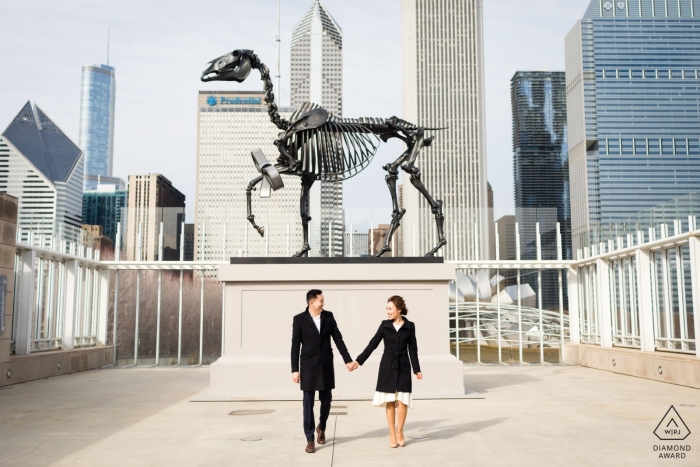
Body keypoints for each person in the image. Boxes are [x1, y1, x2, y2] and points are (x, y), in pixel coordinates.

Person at [291, 289, 355, 454]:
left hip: (326, 365)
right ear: (312, 303)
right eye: (321, 300)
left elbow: (338, 338)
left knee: (326, 401)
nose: (323, 303)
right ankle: (310, 439)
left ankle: (322, 426)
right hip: (308, 366)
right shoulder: (299, 319)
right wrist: (294, 370)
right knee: (308, 404)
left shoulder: (329, 316)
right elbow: (295, 346)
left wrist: (347, 360)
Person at [353, 295, 422, 448]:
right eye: (386, 309)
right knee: (390, 402)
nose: (387, 312)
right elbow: (373, 344)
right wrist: (359, 361)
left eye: (390, 309)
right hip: (387, 366)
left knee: (403, 401)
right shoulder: (384, 325)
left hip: (404, 365)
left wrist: (416, 369)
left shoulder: (410, 326)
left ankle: (400, 431)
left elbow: (413, 349)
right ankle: (392, 433)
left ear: (399, 309)